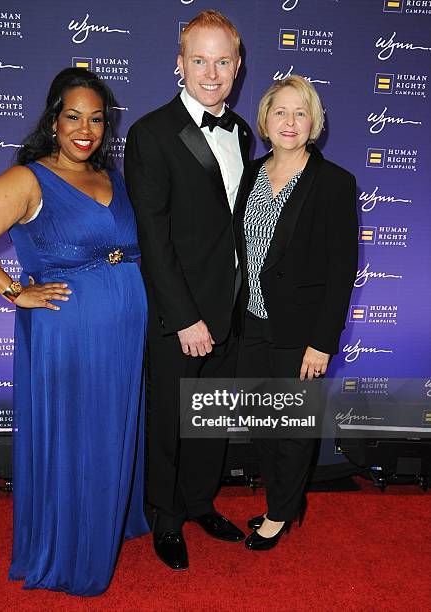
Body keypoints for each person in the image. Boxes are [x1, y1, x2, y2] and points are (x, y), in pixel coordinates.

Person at [0, 68, 149, 595]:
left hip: (122, 335)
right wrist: (14, 291)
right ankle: (69, 546)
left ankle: (108, 519)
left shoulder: (111, 177)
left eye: (96, 119)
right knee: (74, 437)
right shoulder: (30, 178)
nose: (85, 129)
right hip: (68, 337)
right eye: (74, 117)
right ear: (54, 119)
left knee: (111, 429)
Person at [124, 11, 253, 571]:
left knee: (211, 420)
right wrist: (184, 317)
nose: (211, 72)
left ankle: (200, 504)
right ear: (179, 64)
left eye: (222, 60)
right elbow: (153, 238)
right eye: (199, 60)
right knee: (171, 421)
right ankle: (166, 520)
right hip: (179, 316)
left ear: (237, 66)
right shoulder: (151, 133)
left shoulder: (246, 131)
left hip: (230, 311)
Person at [233, 75, 358, 550]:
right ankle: (283, 501)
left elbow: (342, 268)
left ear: (315, 122)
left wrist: (323, 341)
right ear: (265, 119)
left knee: (290, 428)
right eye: (280, 111)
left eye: (300, 112)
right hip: (250, 325)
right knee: (261, 422)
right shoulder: (249, 175)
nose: (289, 122)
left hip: (301, 331)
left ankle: (281, 512)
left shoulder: (335, 183)